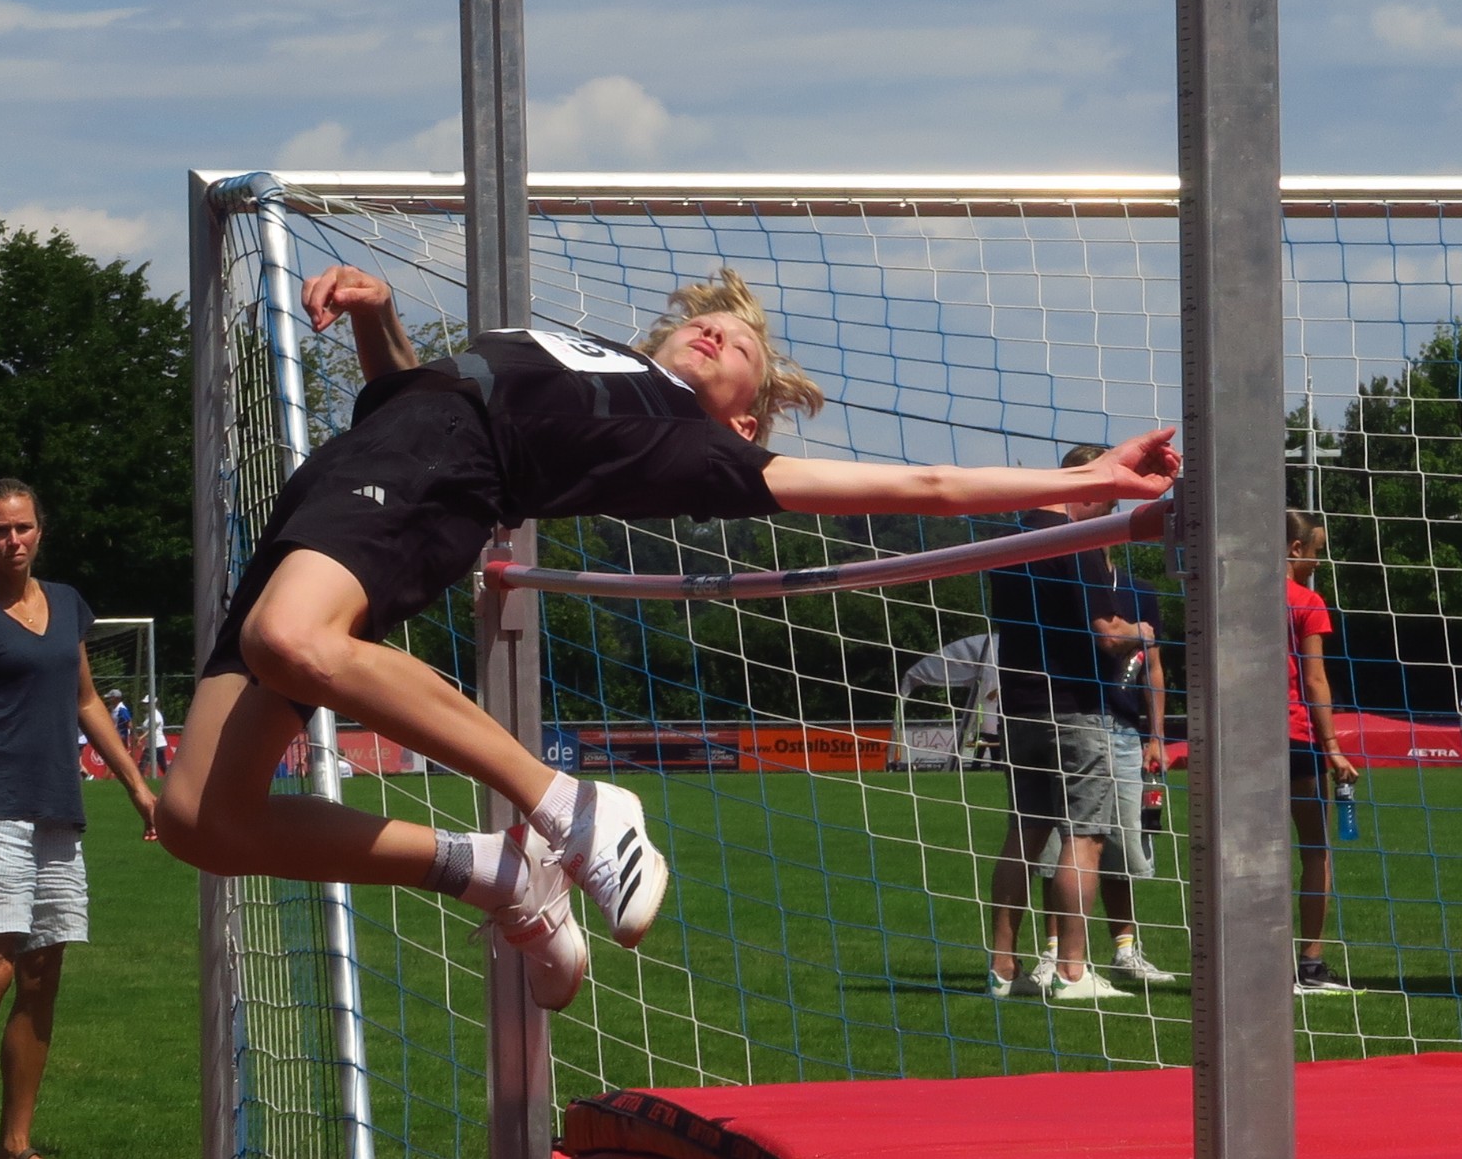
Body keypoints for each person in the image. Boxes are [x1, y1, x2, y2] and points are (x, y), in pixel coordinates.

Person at [154, 265, 1181, 1014]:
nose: (716, 336)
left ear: (745, 421)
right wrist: (379, 316)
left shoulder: (695, 445)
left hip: (432, 480)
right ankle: (490, 870)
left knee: (292, 638)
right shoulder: (578, 355)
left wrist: (1094, 482)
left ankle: (571, 805)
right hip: (352, 475)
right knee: (201, 818)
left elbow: (928, 484)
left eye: (742, 350)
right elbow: (410, 395)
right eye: (707, 324)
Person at [0, 479, 158, 1159]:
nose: (13, 540)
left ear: (40, 530)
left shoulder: (68, 604)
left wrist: (138, 786)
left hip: (59, 809)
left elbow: (86, 700)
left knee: (41, 975)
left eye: (23, 527)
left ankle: (17, 1143)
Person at [985, 445, 1173, 1002]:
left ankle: (1003, 970)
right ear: (1088, 490)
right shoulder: (1078, 541)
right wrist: (1143, 631)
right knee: (1085, 839)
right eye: (1108, 502)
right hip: (1076, 710)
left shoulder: (1010, 540)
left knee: (1023, 835)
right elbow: (1109, 636)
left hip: (1019, 708)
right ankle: (1072, 970)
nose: (1109, 515)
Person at [1286, 510, 1359, 994]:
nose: (1319, 561)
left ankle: (1249, 961)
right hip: (1295, 738)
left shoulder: (1235, 596)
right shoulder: (1307, 601)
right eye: (1316, 551)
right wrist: (1333, 748)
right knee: (1315, 851)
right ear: (1295, 549)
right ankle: (1310, 964)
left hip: (1241, 741)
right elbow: (1314, 679)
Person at [137, 693, 172, 776]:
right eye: (145, 703)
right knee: (160, 765)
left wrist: (140, 738)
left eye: (147, 703)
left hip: (157, 743)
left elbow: (152, 729)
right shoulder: (149, 715)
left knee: (145, 764)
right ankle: (169, 777)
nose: (145, 705)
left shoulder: (156, 715)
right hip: (150, 743)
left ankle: (170, 778)